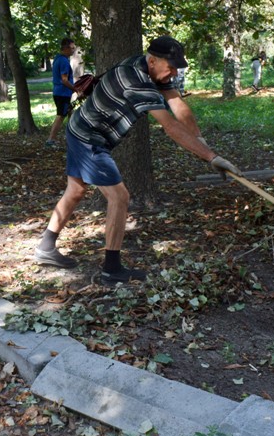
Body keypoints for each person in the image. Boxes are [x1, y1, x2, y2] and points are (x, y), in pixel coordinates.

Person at [33, 36, 240, 284]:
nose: (174, 73)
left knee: (76, 190)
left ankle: (46, 247)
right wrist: (211, 158)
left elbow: (178, 105)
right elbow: (170, 126)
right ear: (152, 61)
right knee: (119, 197)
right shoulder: (137, 81)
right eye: (170, 67)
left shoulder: (151, 71)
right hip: (89, 138)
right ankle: (111, 269)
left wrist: (201, 142)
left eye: (177, 67)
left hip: (80, 129)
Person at [46, 38, 79, 147]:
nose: (73, 50)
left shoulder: (58, 58)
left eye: (74, 48)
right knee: (61, 116)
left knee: (70, 112)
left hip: (60, 92)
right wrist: (76, 89)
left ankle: (73, 137)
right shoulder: (64, 61)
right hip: (62, 93)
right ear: (65, 48)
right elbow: (64, 80)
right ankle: (51, 140)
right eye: (72, 48)